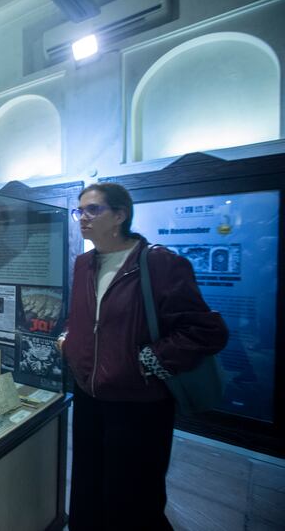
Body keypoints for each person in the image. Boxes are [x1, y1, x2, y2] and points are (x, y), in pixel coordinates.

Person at [58, 183, 228, 531]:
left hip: (138, 402)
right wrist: (71, 342)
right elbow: (87, 320)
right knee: (89, 486)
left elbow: (206, 331)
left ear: (120, 215)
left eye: (93, 210)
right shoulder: (84, 263)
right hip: (89, 397)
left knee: (133, 496)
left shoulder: (159, 263)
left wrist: (145, 362)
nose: (83, 218)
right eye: (80, 211)